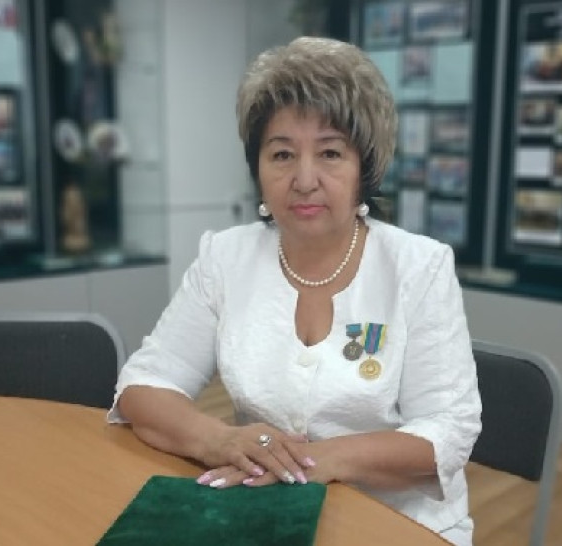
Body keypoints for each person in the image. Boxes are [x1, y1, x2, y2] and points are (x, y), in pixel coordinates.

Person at [109, 36, 482, 545]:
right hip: (266, 516)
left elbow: (449, 430)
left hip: (400, 526)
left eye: (330, 153)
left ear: (365, 168)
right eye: (282, 154)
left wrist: (318, 460)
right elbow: (144, 385)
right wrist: (220, 440)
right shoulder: (225, 258)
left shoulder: (419, 268)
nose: (304, 179)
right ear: (258, 168)